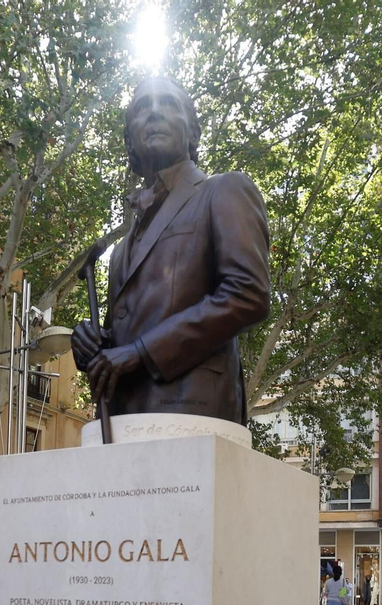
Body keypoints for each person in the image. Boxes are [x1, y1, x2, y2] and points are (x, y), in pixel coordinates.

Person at [71, 75, 271, 424]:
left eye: (167, 104)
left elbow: (248, 294)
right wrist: (93, 345)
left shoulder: (224, 190)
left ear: (193, 131)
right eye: (142, 108)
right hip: (122, 421)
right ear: (130, 140)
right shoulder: (120, 249)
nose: (154, 113)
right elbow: (126, 336)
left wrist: (140, 353)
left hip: (193, 412)